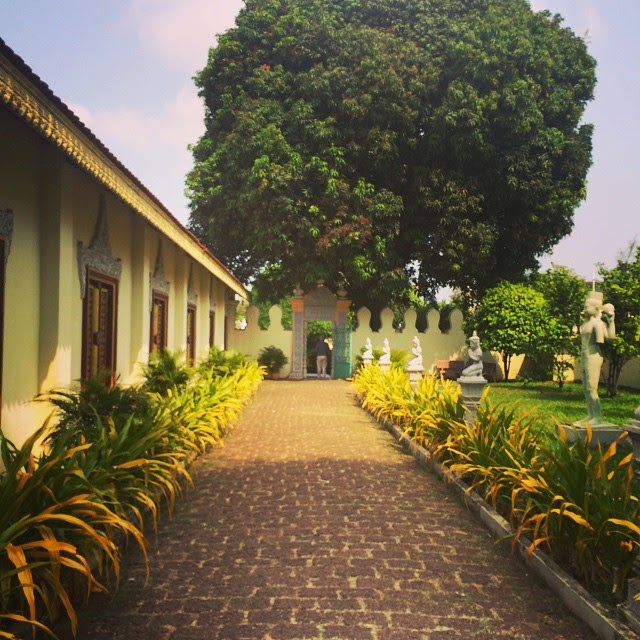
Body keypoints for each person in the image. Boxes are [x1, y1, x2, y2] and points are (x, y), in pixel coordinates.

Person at [579, 292, 615, 424]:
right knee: (586, 389)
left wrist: (611, 322)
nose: (584, 309)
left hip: (594, 356)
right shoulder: (586, 323)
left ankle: (597, 417)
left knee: (592, 388)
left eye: (586, 306)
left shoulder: (597, 324)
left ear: (595, 309)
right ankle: (590, 415)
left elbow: (609, 339)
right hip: (585, 356)